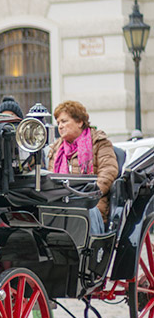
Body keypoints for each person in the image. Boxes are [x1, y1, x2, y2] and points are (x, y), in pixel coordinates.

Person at [47, 100, 119, 235]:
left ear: (80, 122)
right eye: (58, 123)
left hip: (92, 203)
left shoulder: (98, 142)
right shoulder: (56, 149)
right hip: (62, 203)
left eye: (64, 121)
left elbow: (108, 171)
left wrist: (87, 195)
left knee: (84, 210)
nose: (60, 126)